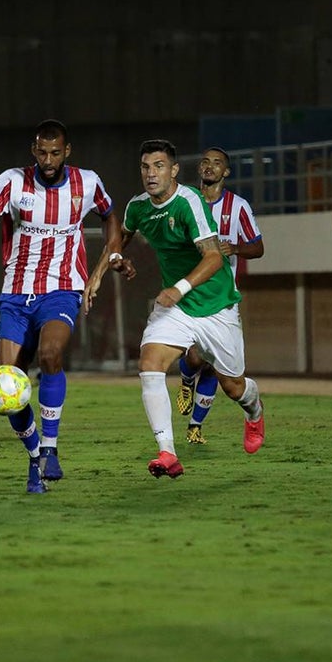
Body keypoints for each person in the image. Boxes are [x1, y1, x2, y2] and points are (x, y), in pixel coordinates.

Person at [84, 139, 264, 480]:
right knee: (150, 363)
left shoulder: (189, 202)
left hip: (215, 305)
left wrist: (178, 288)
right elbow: (117, 240)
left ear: (174, 170)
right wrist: (103, 271)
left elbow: (213, 258)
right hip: (177, 308)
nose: (151, 174)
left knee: (233, 387)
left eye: (159, 166)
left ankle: (254, 412)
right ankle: (168, 452)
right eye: (145, 167)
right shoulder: (138, 207)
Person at [0, 119, 117, 493]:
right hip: (16, 295)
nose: (48, 160)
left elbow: (111, 215)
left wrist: (107, 262)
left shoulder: (88, 183)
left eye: (55, 152)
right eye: (42, 152)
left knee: (50, 355)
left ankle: (49, 447)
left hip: (62, 290)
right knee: (8, 383)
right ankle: (35, 458)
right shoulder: (13, 181)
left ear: (67, 151)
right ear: (33, 151)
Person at [174, 147, 264, 445]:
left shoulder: (237, 207)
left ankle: (195, 425)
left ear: (226, 172)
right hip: (188, 291)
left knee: (218, 370)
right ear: (199, 168)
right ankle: (186, 380)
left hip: (221, 298)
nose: (210, 167)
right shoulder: (185, 200)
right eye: (205, 162)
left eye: (217, 163)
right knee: (197, 356)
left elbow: (258, 247)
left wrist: (235, 248)